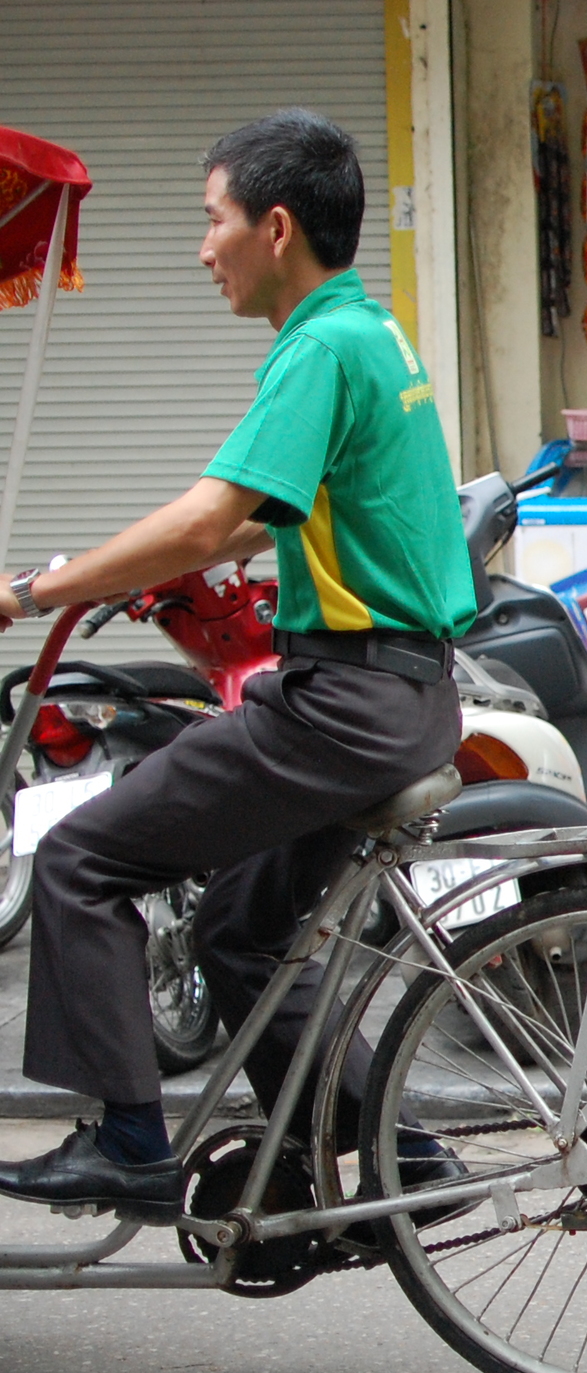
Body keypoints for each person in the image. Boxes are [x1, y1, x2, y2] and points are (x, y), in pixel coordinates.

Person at [0, 110, 476, 1218]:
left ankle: (128, 1141)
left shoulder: (316, 347)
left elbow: (211, 521)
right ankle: (393, 1155)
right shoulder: (370, 333)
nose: (199, 248)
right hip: (396, 693)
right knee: (234, 929)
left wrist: (31, 594)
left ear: (273, 227)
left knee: (76, 859)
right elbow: (285, 511)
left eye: (209, 221)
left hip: (345, 704)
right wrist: (126, 570)